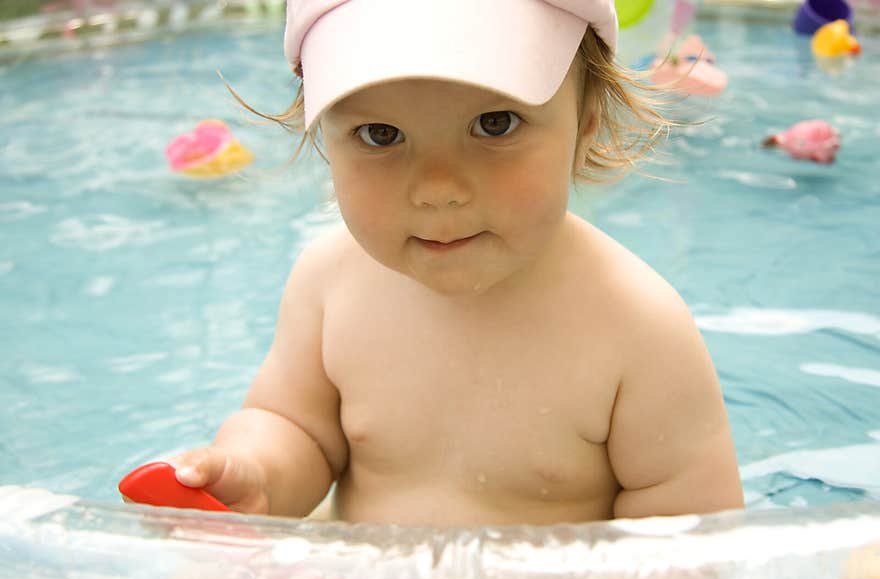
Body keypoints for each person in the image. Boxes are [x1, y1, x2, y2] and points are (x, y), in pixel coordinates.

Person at [141, 0, 744, 526]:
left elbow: (689, 542)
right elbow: (294, 428)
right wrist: (256, 475)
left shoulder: (637, 326)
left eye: (494, 124)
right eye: (381, 134)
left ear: (586, 126)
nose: (437, 187)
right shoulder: (329, 286)